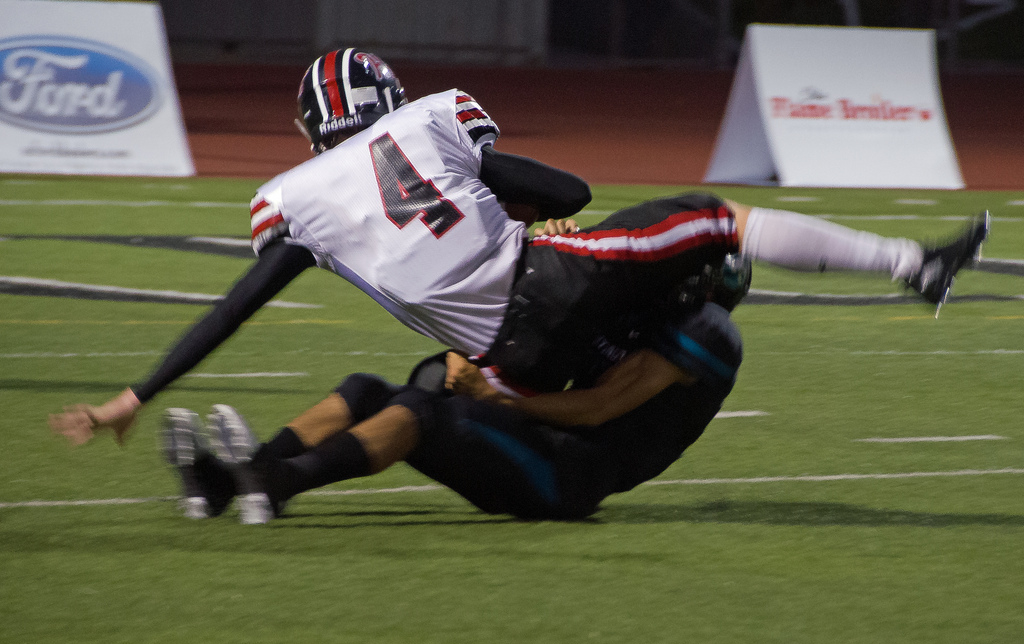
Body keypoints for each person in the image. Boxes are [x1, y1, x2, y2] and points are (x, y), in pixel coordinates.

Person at [48, 48, 990, 445]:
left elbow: (235, 307)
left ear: (314, 128)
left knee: (418, 394)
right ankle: (912, 264)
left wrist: (135, 395)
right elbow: (569, 193)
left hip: (503, 357)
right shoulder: (429, 119)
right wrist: (515, 206)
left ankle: (263, 474)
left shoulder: (293, 201)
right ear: (387, 99)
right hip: (547, 287)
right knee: (713, 220)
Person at [162, 298, 743, 523]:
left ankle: (277, 481)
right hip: (544, 441)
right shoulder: (643, 308)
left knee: (427, 412)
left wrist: (493, 397)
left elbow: (599, 407)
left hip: (569, 476)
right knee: (368, 391)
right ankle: (228, 483)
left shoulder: (707, 331)